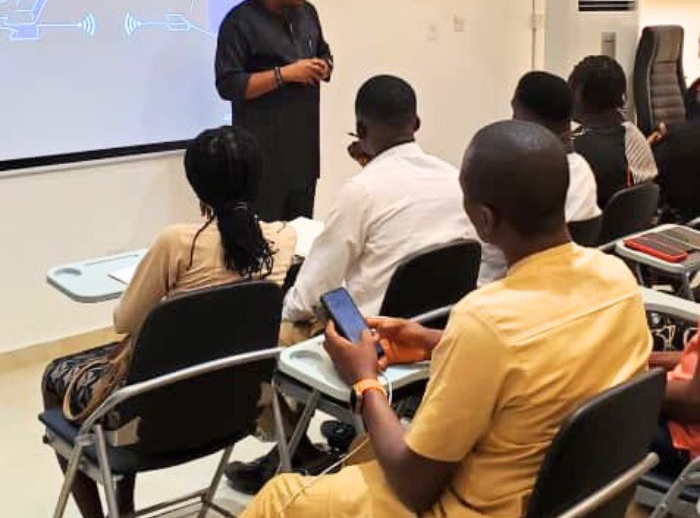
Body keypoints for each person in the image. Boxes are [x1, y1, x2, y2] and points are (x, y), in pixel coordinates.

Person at [240, 120, 651, 518]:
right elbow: (545, 354)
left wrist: (364, 379)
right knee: (360, 454)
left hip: (468, 507)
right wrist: (434, 342)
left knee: (280, 497)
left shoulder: (486, 320)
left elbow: (412, 485)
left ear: (485, 219)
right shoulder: (617, 279)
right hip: (572, 499)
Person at [227, 74, 476, 493]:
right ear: (416, 124)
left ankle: (289, 451)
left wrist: (283, 310)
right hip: (435, 334)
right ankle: (310, 445)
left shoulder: (362, 191)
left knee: (267, 338)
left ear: (360, 130)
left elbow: (311, 293)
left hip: (372, 345)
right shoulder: (454, 178)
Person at [41, 125, 296, 518]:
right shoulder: (283, 239)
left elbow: (124, 321)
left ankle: (110, 513)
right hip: (237, 406)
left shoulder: (177, 242)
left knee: (54, 376)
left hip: (157, 417)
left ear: (196, 185)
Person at [215, 0, 333, 222]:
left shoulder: (308, 13)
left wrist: (324, 66)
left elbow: (324, 52)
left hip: (303, 156)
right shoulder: (239, 22)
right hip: (261, 161)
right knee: (263, 240)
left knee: (300, 237)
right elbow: (229, 85)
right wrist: (285, 74)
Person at [477, 70, 600, 285]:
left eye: (515, 113)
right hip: (567, 285)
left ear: (526, 119)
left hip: (506, 292)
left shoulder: (520, 182)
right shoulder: (583, 170)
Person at [569, 55, 657, 208]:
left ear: (578, 94)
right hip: (632, 221)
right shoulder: (632, 134)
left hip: (594, 222)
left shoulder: (576, 151)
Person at [649, 333, 700, 477]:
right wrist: (644, 359)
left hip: (687, 445)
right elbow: (693, 359)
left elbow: (695, 403)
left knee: (602, 419)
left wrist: (626, 382)